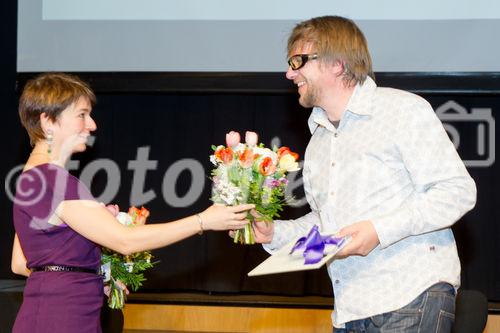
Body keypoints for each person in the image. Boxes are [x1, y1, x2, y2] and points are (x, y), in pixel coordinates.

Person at [251, 16, 477, 332]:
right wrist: (275, 234)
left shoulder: (401, 110)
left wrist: (379, 230)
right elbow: (326, 224)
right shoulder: (319, 140)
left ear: (337, 64)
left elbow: (456, 191)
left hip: (410, 296)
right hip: (350, 309)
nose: (290, 73)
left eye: (298, 61)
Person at [10, 73, 254, 333]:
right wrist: (203, 220)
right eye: (81, 115)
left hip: (54, 312)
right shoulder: (52, 180)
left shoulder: (33, 177)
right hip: (61, 319)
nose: (91, 124)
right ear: (48, 121)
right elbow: (124, 240)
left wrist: (90, 276)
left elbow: (20, 262)